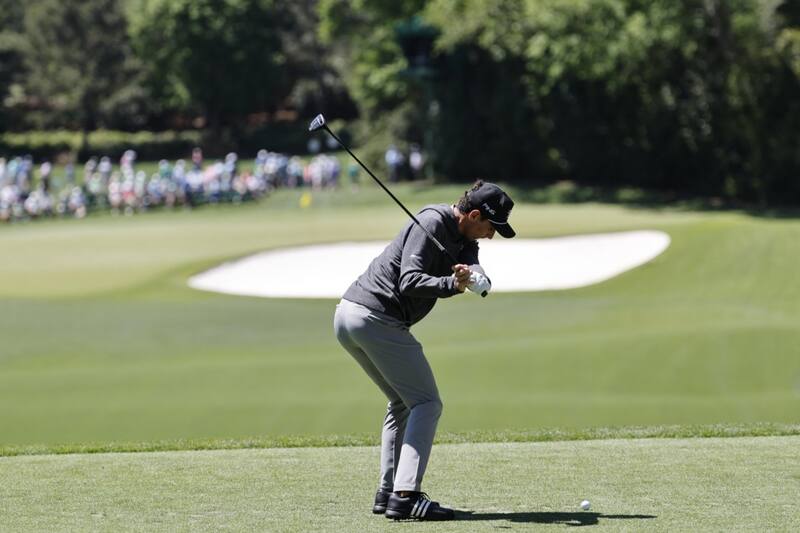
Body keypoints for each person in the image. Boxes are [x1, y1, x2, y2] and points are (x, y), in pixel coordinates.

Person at [333, 180, 516, 521]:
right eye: (490, 227)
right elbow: (409, 281)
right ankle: (406, 496)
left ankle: (388, 492)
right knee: (427, 402)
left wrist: (476, 278)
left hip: (353, 317)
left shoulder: (463, 238)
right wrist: (451, 284)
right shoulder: (431, 222)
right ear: (474, 215)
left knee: (403, 402)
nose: (490, 235)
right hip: (374, 317)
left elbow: (474, 268)